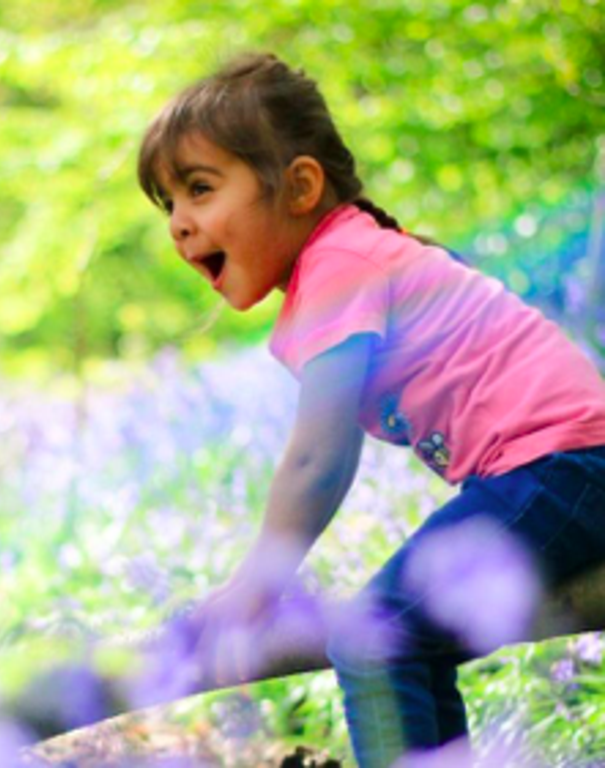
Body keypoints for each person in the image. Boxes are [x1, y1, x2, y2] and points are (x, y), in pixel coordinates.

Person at [136, 52, 605, 767]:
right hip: (562, 467)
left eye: (200, 189)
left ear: (298, 186)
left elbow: (320, 457)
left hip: (566, 465)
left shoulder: (342, 264)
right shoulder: (350, 261)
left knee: (374, 636)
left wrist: (256, 584)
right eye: (170, 204)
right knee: (403, 639)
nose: (179, 223)